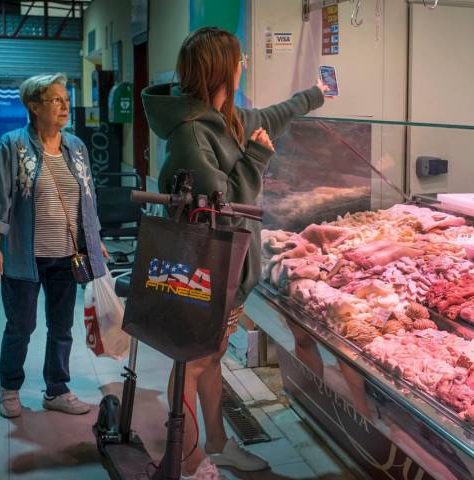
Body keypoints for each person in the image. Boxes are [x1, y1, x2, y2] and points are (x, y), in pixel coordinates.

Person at [142, 27, 328, 476]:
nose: (244, 64)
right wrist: (258, 159)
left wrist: (314, 96)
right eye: (240, 59)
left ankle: (219, 443)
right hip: (205, 269)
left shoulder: (222, 115)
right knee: (192, 361)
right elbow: (222, 204)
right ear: (223, 68)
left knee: (211, 358)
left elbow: (269, 115)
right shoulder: (190, 131)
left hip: (230, 270)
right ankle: (185, 458)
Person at [0, 73, 108, 418]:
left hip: (67, 256)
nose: (65, 105)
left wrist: (95, 240)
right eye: (55, 99)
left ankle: (57, 389)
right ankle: (9, 388)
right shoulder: (12, 145)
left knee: (62, 327)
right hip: (24, 255)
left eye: (65, 98)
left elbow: (88, 199)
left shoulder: (76, 147)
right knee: (21, 326)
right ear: (33, 106)